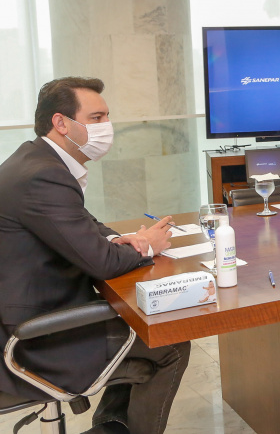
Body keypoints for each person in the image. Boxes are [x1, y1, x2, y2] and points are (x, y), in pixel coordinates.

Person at [0, 77, 191, 434]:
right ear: (61, 123)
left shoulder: (35, 160)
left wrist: (127, 239)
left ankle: (112, 426)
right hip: (35, 337)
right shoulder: (43, 176)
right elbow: (101, 262)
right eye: (97, 117)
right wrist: (148, 245)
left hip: (31, 311)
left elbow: (85, 224)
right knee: (170, 344)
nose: (107, 127)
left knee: (141, 326)